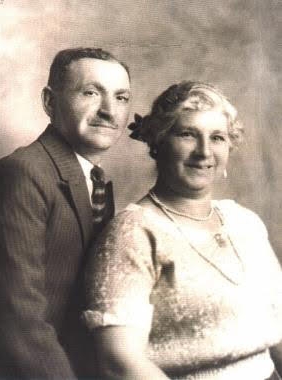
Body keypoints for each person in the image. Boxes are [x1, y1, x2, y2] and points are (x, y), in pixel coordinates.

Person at [82, 81, 282, 379]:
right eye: (188, 134)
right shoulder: (133, 232)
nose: (204, 152)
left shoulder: (245, 223)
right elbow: (119, 363)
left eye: (217, 137)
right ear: (159, 143)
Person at [0, 47, 131, 379]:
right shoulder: (22, 173)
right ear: (50, 102)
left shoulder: (97, 181)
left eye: (121, 98)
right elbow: (17, 319)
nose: (109, 111)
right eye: (91, 93)